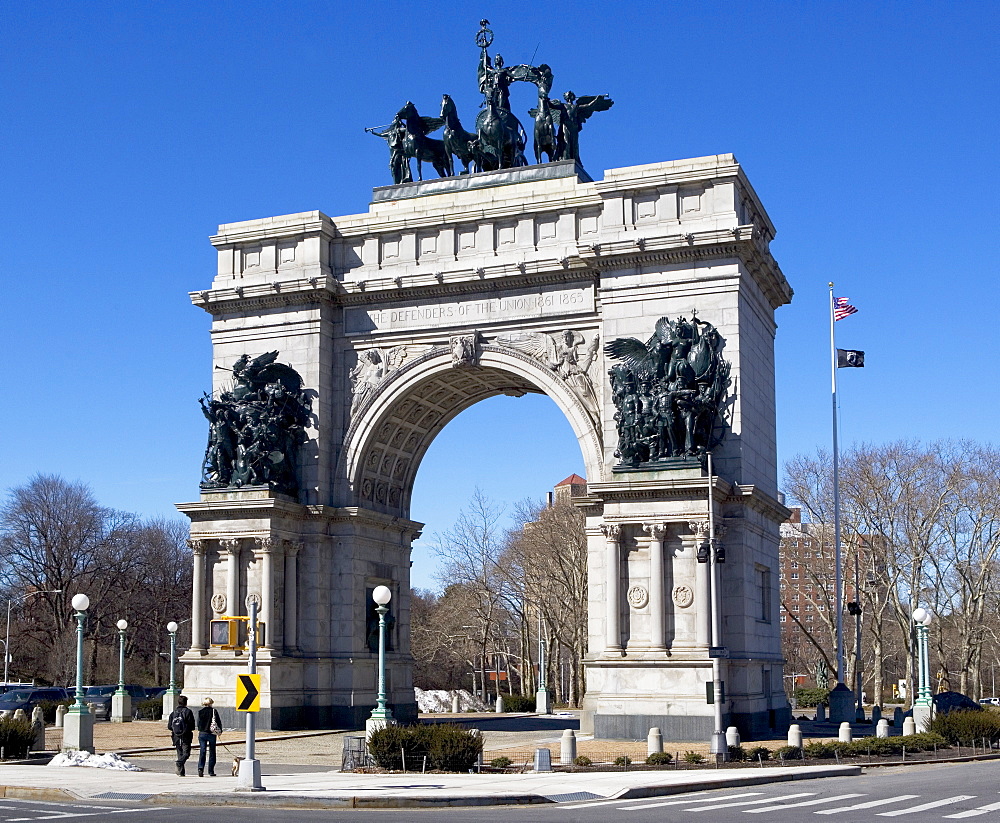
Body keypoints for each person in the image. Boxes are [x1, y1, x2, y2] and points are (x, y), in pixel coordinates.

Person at [166, 694, 195, 776]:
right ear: (186, 703)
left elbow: (169, 726)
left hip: (176, 736)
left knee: (180, 754)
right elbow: (192, 725)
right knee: (186, 753)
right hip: (186, 735)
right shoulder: (188, 712)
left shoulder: (173, 713)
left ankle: (181, 772)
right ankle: (179, 763)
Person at [196, 697, 222, 777]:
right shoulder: (214, 711)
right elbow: (218, 722)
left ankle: (200, 768)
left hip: (202, 733)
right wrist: (220, 731)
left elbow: (198, 724)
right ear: (211, 703)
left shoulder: (200, 712)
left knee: (202, 751)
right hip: (211, 733)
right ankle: (211, 770)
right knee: (212, 752)